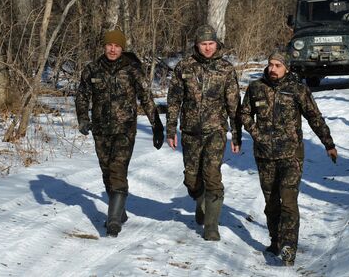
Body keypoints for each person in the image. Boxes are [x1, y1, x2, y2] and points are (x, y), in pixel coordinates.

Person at [241, 50, 338, 266]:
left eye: (277, 65)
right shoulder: (256, 88)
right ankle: (276, 241)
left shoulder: (297, 89)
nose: (272, 69)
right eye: (270, 64)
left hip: (291, 155)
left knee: (289, 201)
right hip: (264, 155)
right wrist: (256, 134)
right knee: (271, 203)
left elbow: (314, 116)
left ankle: (288, 247)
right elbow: (245, 114)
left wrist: (328, 143)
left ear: (287, 68)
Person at [75, 29, 164, 237]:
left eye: (117, 46)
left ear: (122, 48)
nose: (113, 49)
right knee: (107, 172)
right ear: (104, 46)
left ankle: (113, 220)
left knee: (117, 169)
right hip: (100, 130)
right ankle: (119, 210)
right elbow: (81, 96)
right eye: (109, 45)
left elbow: (146, 97)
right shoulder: (92, 70)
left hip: (125, 129)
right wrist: (83, 119)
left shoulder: (132, 69)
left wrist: (156, 125)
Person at [166, 24, 242, 241]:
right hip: (190, 131)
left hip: (215, 131)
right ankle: (200, 201)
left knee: (212, 176)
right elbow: (173, 101)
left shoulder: (226, 69)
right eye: (203, 44)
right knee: (192, 179)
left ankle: (211, 226)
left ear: (217, 44)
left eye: (211, 43)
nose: (207, 48)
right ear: (196, 45)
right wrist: (171, 129)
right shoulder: (184, 67)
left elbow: (234, 105)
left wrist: (236, 134)